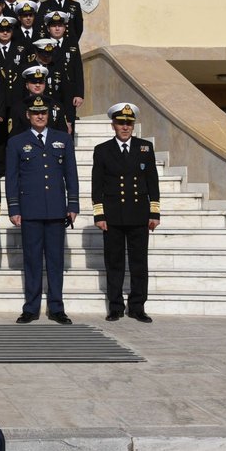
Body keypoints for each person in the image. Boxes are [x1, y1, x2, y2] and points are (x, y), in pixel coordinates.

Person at [6, 95, 79, 325]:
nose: (40, 116)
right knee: (32, 260)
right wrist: (14, 207)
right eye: (35, 113)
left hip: (57, 209)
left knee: (56, 261)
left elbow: (71, 174)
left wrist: (73, 204)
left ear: (48, 115)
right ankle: (31, 307)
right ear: (28, 115)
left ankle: (57, 308)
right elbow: (12, 178)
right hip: (30, 209)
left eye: (44, 113)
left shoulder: (63, 139)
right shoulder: (17, 142)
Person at [92, 102, 161, 324]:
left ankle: (137, 306)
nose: (125, 127)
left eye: (129, 123)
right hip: (113, 215)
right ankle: (115, 307)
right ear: (113, 125)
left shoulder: (144, 148)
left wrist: (154, 212)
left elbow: (152, 181)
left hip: (139, 214)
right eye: (121, 123)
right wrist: (99, 215)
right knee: (115, 263)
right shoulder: (102, 150)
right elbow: (97, 185)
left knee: (139, 263)